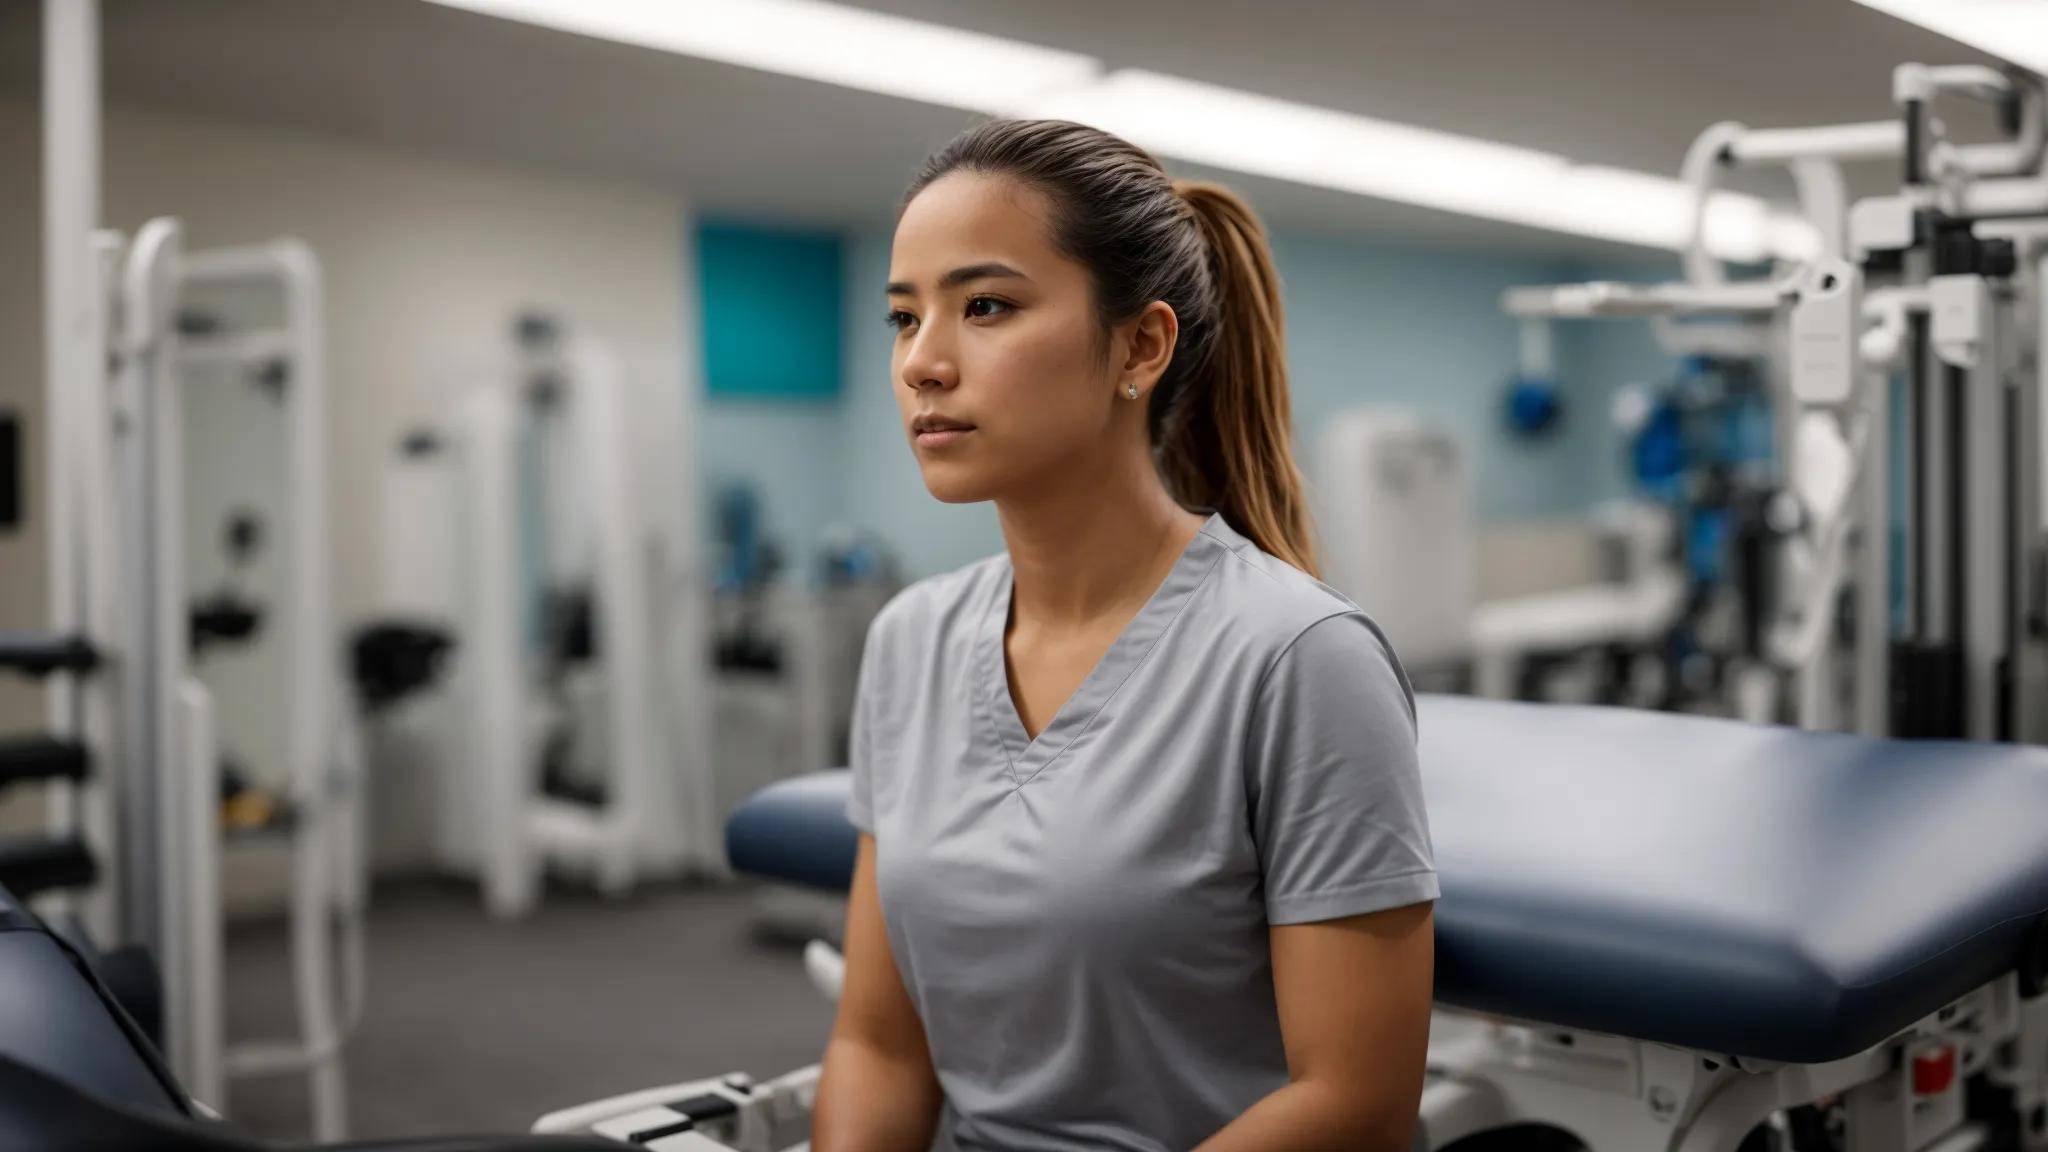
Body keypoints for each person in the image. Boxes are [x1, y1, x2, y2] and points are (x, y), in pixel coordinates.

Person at [812, 119, 1437, 1152]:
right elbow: (880, 1047)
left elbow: (1353, 1106)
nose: (922, 362)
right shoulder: (910, 640)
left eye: (985, 307)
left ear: (1139, 345)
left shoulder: (1297, 657)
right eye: (900, 316)